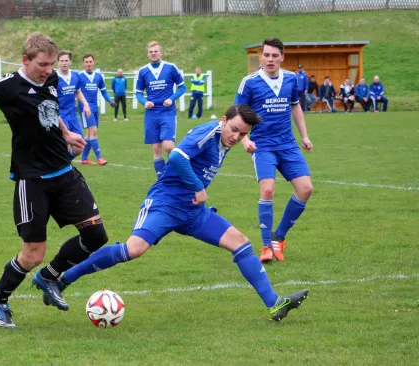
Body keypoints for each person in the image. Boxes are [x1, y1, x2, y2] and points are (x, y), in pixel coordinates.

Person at [35, 105, 309, 322]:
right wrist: (198, 186)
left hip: (193, 212)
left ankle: (275, 304)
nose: (236, 136)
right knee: (133, 249)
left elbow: (237, 135)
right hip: (165, 204)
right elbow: (177, 156)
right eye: (234, 129)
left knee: (241, 243)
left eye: (242, 133)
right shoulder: (209, 132)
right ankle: (63, 280)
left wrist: (244, 138)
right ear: (223, 120)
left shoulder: (229, 138)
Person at [0, 11, 110, 329]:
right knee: (33, 253)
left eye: (51, 65)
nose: (48, 72)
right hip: (32, 180)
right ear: (26, 59)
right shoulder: (9, 87)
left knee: (95, 234)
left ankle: (49, 277)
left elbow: (48, 108)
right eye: (42, 65)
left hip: (64, 172)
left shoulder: (49, 79)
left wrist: (65, 132)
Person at [235, 37, 314, 263]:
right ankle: (266, 247)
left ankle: (278, 237)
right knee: (267, 190)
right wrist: (244, 139)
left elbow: (295, 107)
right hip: (263, 146)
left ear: (282, 57)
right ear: (261, 57)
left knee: (306, 189)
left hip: (287, 144)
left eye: (274, 55)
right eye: (266, 55)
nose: (270, 59)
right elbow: (237, 113)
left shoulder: (291, 79)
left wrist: (305, 136)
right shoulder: (249, 82)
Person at [135, 41, 186, 179]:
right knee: (156, 149)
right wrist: (145, 102)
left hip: (167, 113)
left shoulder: (170, 68)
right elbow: (138, 93)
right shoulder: (143, 71)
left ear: (161, 52)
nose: (153, 53)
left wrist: (172, 98)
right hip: (151, 114)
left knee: (169, 146)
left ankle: (179, 173)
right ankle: (162, 180)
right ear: (148, 54)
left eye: (156, 51)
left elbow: (182, 87)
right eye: (151, 52)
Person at [78, 54, 116, 165]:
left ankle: (84, 159)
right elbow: (75, 91)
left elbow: (103, 91)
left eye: (90, 61)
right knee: (93, 132)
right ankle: (100, 158)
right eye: (86, 62)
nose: (88, 64)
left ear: (93, 62)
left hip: (95, 108)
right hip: (85, 108)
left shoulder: (98, 76)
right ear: (83, 63)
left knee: (90, 134)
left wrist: (110, 101)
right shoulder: (79, 76)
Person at [57, 50, 91, 143]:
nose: (64, 63)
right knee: (64, 144)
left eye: (66, 60)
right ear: (58, 62)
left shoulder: (75, 75)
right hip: (60, 116)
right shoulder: (54, 77)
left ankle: (66, 158)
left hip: (73, 115)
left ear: (70, 62)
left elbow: (78, 92)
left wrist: (85, 104)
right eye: (62, 61)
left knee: (80, 142)